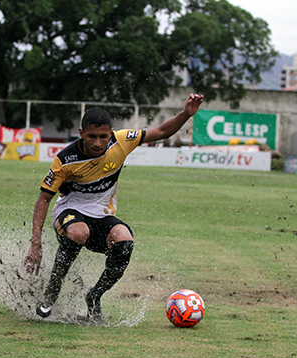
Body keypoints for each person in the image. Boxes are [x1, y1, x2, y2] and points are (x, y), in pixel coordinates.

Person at [24, 94, 204, 321]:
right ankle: (51, 294)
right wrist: (35, 245)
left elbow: (162, 132)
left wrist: (186, 114)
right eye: (91, 137)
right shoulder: (65, 159)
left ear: (111, 133)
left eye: (103, 136)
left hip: (101, 215)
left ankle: (94, 297)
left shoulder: (122, 141)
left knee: (125, 241)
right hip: (69, 213)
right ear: (81, 134)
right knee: (79, 232)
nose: (98, 143)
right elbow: (43, 200)